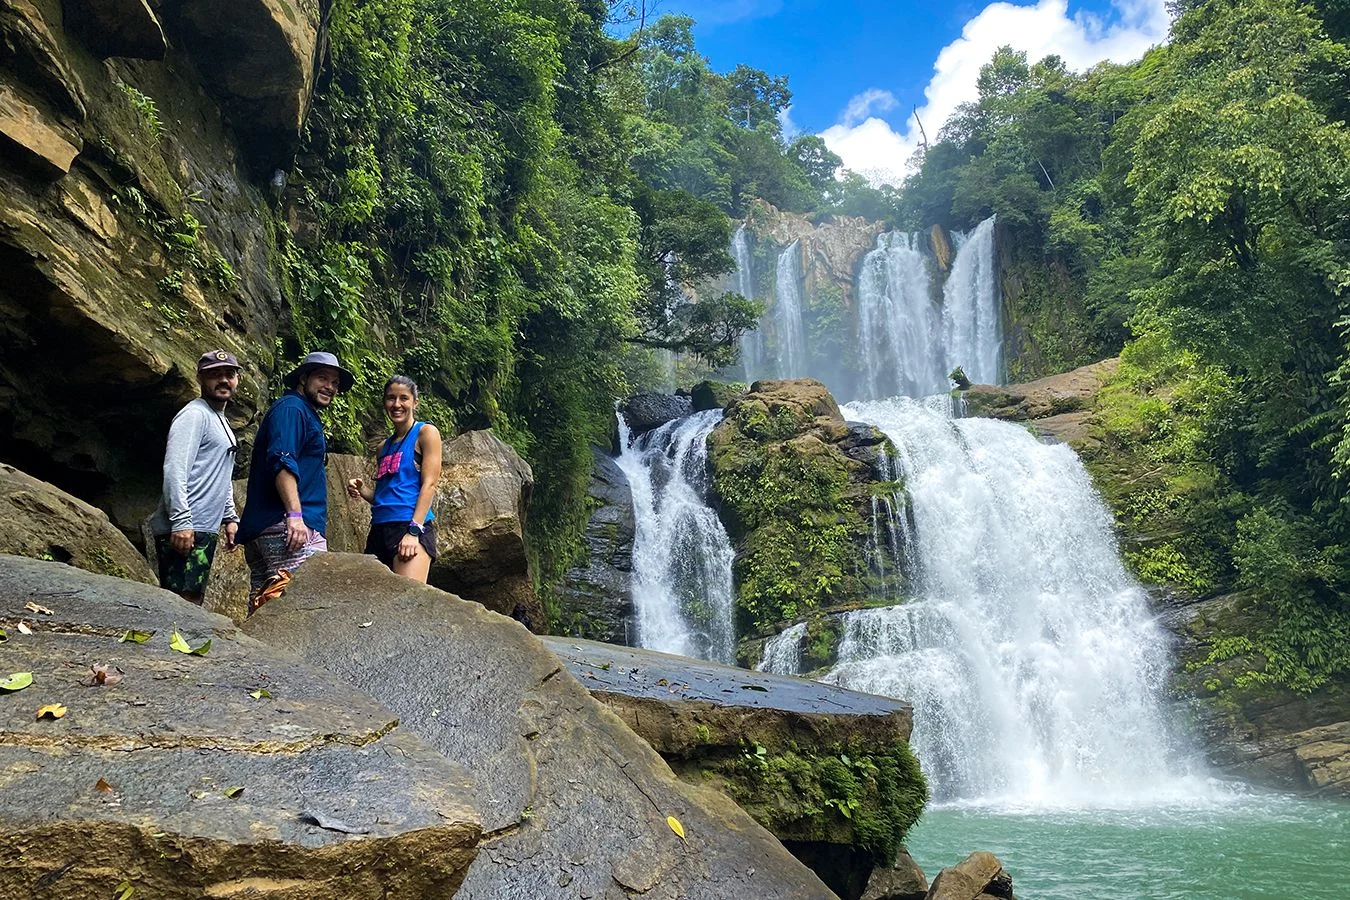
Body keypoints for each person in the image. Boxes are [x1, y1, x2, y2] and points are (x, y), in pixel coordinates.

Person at [236, 351, 354, 612]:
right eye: (323, 378)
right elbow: (281, 460)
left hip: (268, 526)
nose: (330, 387)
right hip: (287, 527)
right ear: (303, 378)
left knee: (265, 605)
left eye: (334, 383)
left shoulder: (299, 411)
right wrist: (295, 514)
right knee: (302, 605)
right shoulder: (292, 409)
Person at [148, 350, 243, 603]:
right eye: (215, 374)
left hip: (203, 526)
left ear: (237, 379)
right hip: (186, 526)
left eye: (229, 374)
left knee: (191, 600)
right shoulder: (194, 415)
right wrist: (181, 521)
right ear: (200, 378)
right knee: (181, 604)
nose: (223, 380)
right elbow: (175, 468)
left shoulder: (220, 421)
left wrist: (230, 517)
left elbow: (222, 474)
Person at [347, 375, 442, 582]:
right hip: (379, 529)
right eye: (391, 398)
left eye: (404, 398)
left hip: (409, 526)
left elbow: (430, 484)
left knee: (407, 606)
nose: (397, 404)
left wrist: (414, 531)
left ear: (415, 402)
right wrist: (363, 491)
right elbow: (385, 496)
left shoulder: (425, 433)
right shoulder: (383, 447)